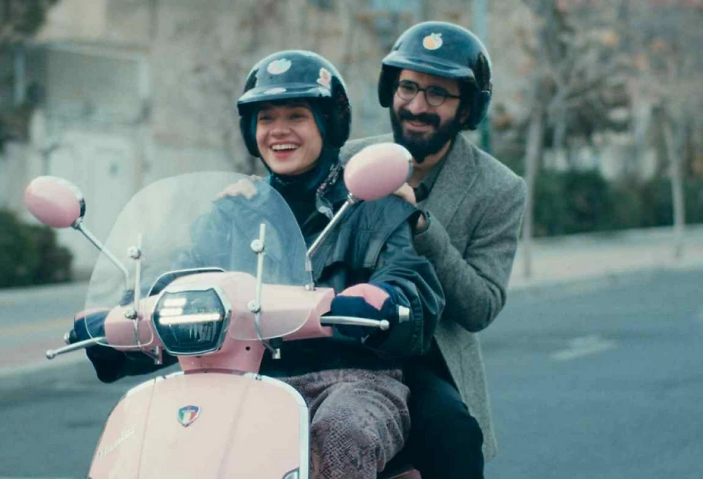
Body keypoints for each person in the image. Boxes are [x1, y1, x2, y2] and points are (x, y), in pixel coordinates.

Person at [75, 50, 444, 479]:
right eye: (266, 118)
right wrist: (125, 318)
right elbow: (177, 285)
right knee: (156, 440)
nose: (279, 130)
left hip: (353, 380)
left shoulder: (371, 206)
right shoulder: (232, 212)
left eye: (296, 116)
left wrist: (384, 302)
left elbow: (408, 279)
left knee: (341, 431)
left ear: (328, 123)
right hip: (239, 380)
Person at [340, 22, 528, 479]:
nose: (417, 106)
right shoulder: (347, 161)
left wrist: (422, 225)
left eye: (438, 94)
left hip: (429, 361)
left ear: (467, 109)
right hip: (343, 348)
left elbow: (480, 307)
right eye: (408, 87)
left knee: (452, 435)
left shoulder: (500, 189)